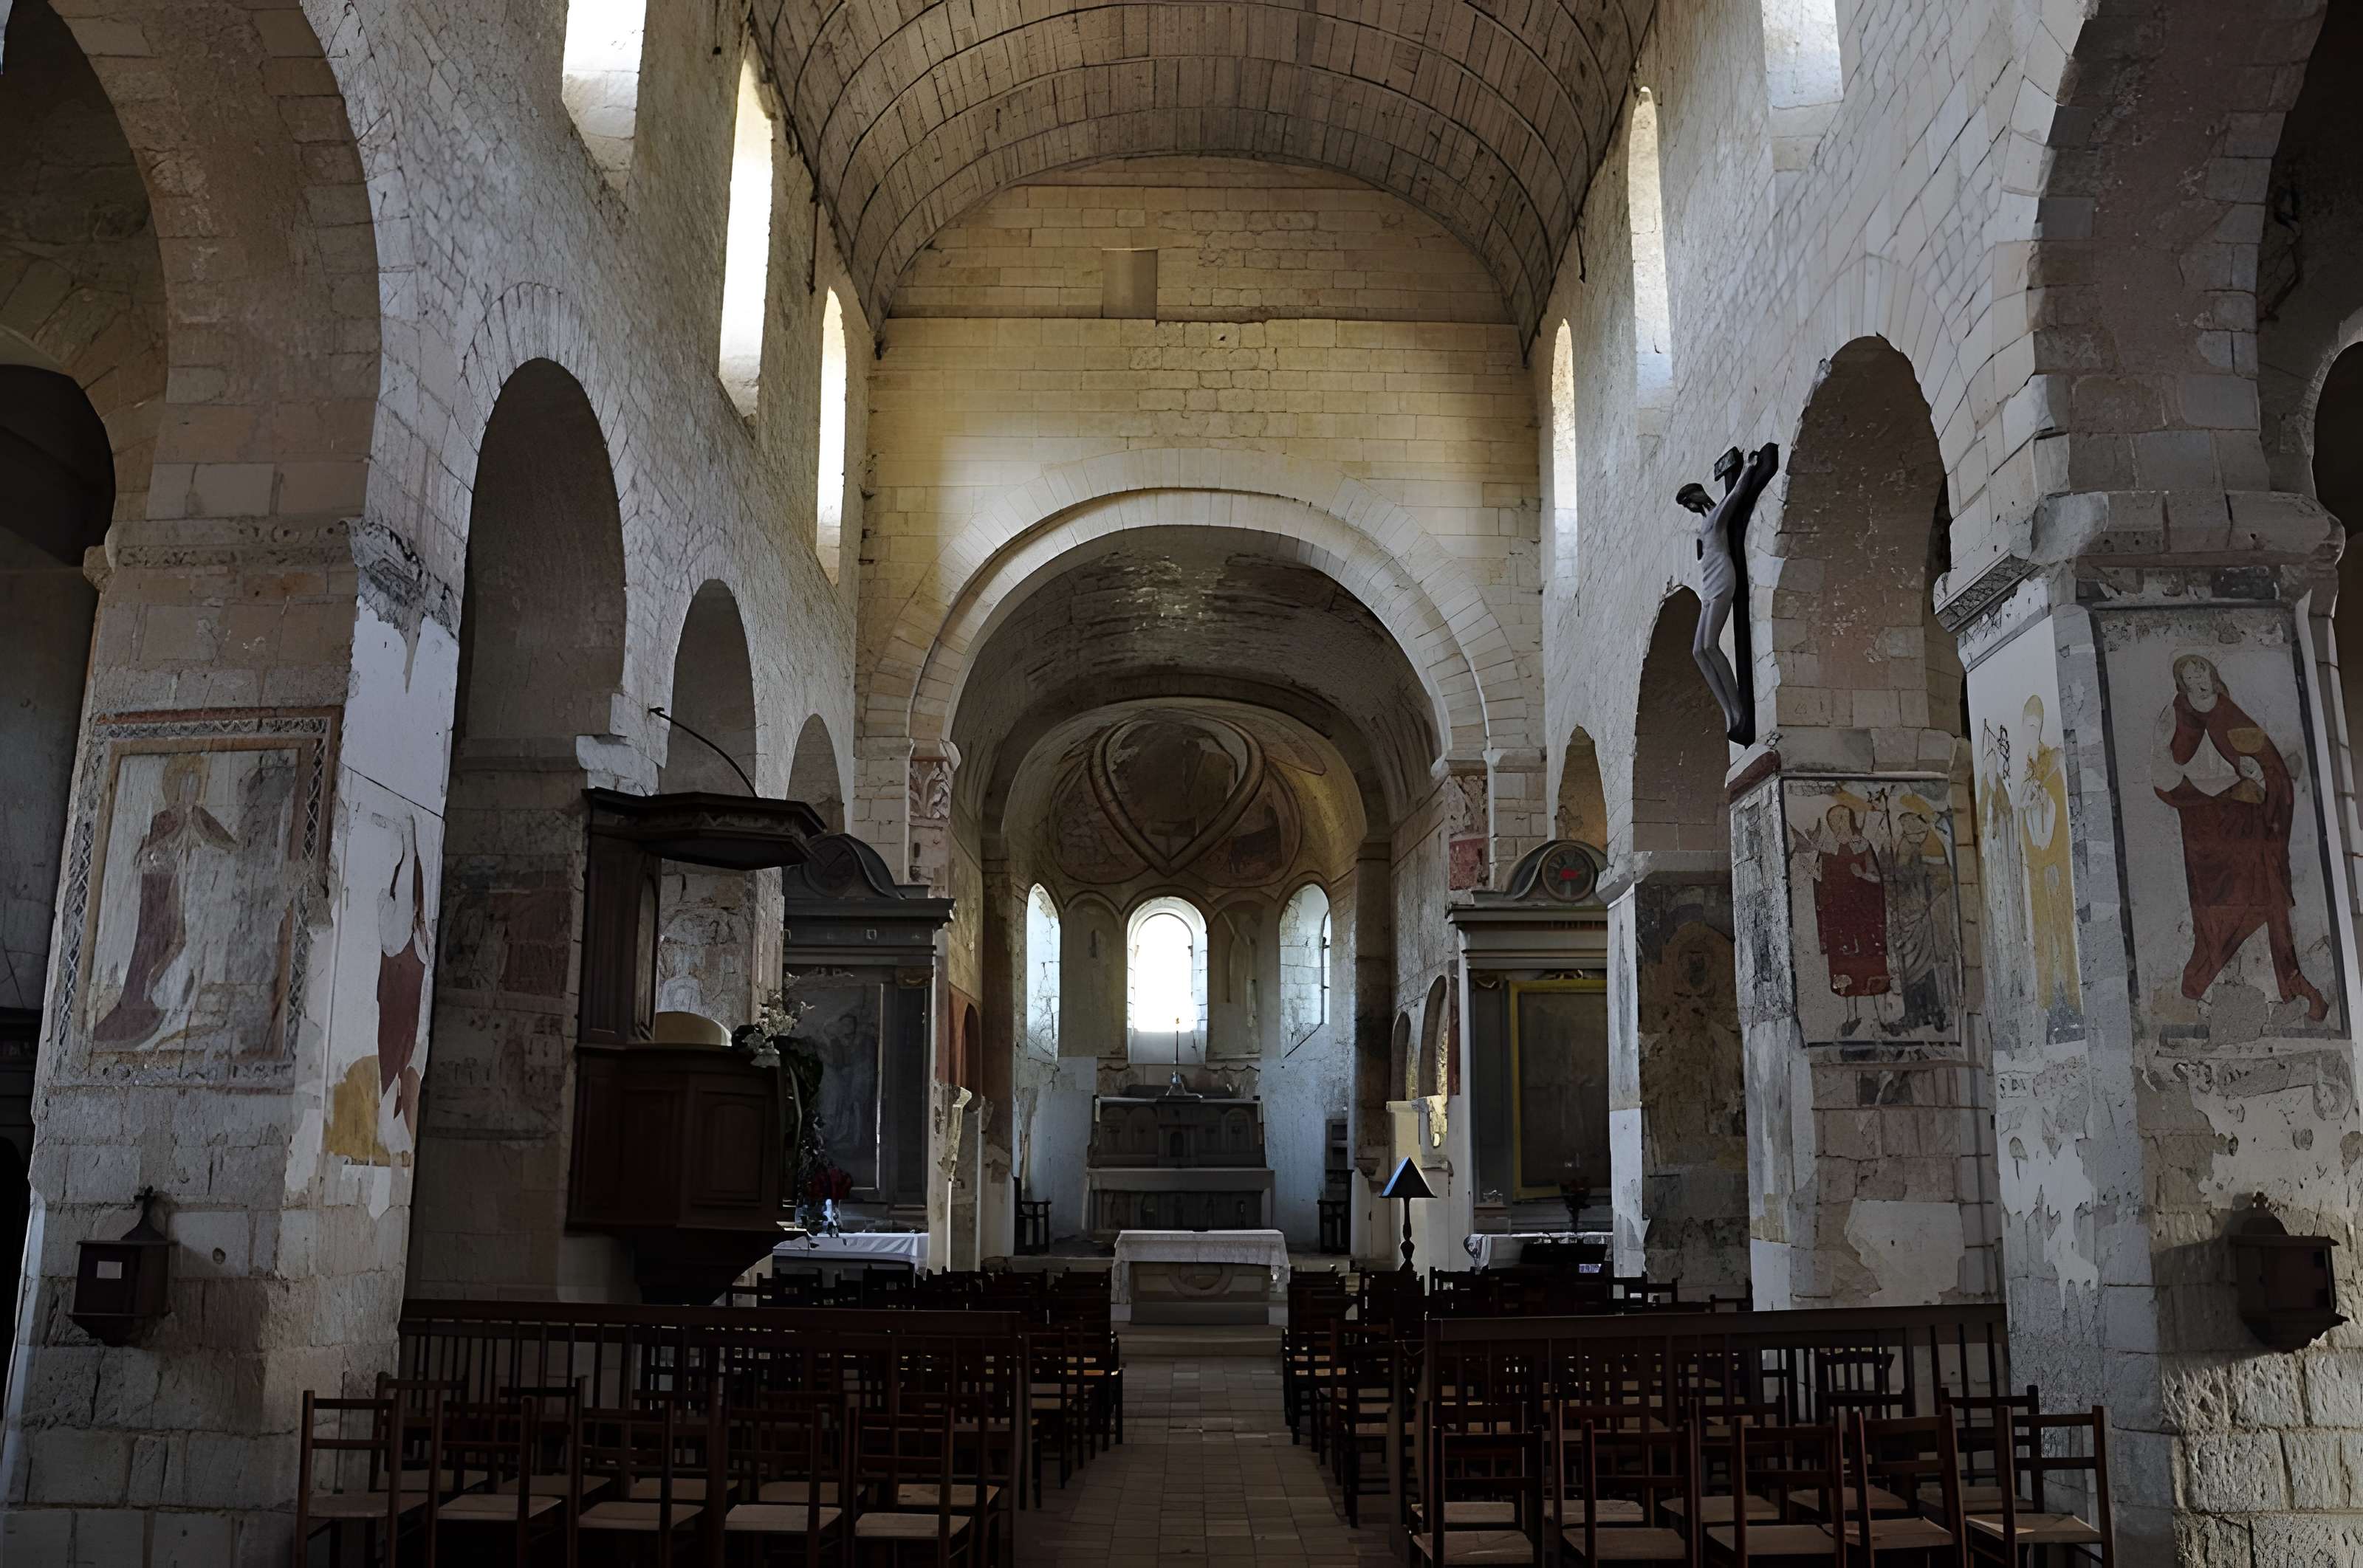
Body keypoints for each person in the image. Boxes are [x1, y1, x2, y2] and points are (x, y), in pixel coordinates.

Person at [2150, 655, 2328, 1019]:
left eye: (2200, 668)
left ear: (2211, 672)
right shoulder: (2176, 715)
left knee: (2271, 895)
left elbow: (2269, 761)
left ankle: (2292, 982)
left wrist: (2259, 774)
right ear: (2181, 682)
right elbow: (2163, 767)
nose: (2197, 676)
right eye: (2188, 673)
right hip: (2206, 828)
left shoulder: (2228, 710)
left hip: (2246, 820)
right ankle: (2209, 979)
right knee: (2215, 908)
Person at [1675, 442, 1780, 743]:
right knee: (1698, 651)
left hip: (1722, 578)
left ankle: (1737, 710)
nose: (1690, 507)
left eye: (1689, 501)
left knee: (1710, 645)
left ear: (1697, 496)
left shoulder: (1718, 516)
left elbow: (1735, 496)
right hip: (1708, 585)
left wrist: (1747, 469)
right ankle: (1728, 710)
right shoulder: (1704, 524)